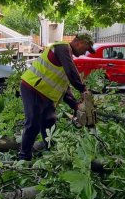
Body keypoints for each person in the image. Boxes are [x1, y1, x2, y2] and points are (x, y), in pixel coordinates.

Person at [18, 33, 95, 161]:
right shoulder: (62, 48)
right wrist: (83, 89)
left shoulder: (67, 56)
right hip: (33, 88)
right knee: (33, 124)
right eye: (85, 49)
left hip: (46, 94)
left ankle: (50, 152)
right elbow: (71, 73)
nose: (84, 53)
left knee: (50, 122)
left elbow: (64, 88)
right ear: (79, 43)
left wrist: (75, 105)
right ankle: (23, 157)